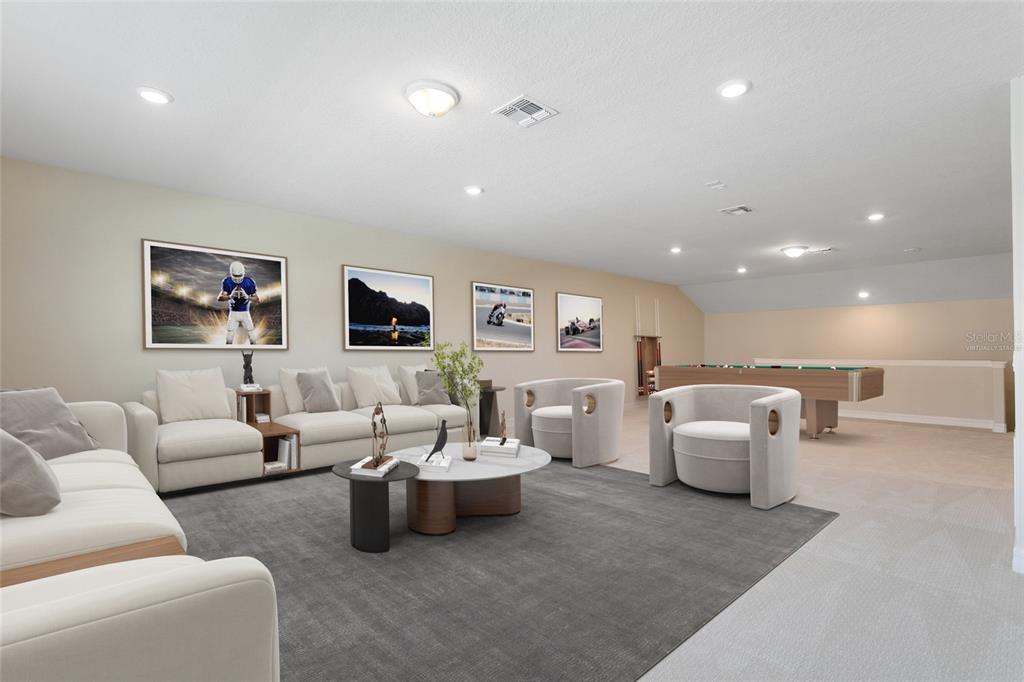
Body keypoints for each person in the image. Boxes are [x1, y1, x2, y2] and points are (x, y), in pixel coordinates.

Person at [217, 261, 259, 344]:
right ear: (231, 274)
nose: (237, 278)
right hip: (233, 314)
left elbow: (257, 299)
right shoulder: (227, 281)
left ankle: (254, 351)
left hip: (245, 313)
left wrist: (247, 297)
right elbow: (219, 298)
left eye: (239, 276)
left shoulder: (249, 281)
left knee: (252, 337)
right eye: (235, 276)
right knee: (229, 337)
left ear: (243, 273)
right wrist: (230, 296)